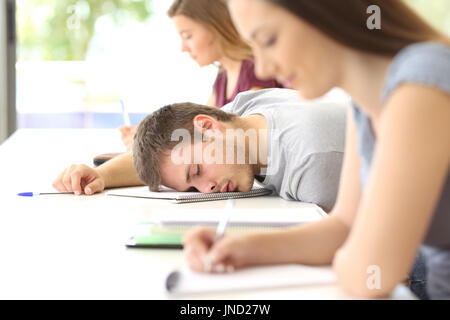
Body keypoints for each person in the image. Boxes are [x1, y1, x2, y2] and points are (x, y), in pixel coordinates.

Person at [182, 0, 450, 300]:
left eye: (269, 40)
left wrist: (355, 257)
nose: (263, 67)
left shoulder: (420, 86)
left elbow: (371, 270)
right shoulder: (364, 103)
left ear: (326, 11)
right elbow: (344, 225)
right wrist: (242, 248)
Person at [53, 88, 347, 213]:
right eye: (193, 186)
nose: (207, 189)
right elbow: (167, 159)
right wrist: (99, 175)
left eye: (197, 172)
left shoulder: (312, 166)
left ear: (207, 126)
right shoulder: (244, 114)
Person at [119, 0, 282, 151]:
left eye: (188, 36)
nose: (183, 48)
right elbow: (197, 130)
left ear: (215, 27)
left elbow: (238, 144)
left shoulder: (256, 71)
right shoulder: (222, 79)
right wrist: (147, 137)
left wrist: (154, 144)